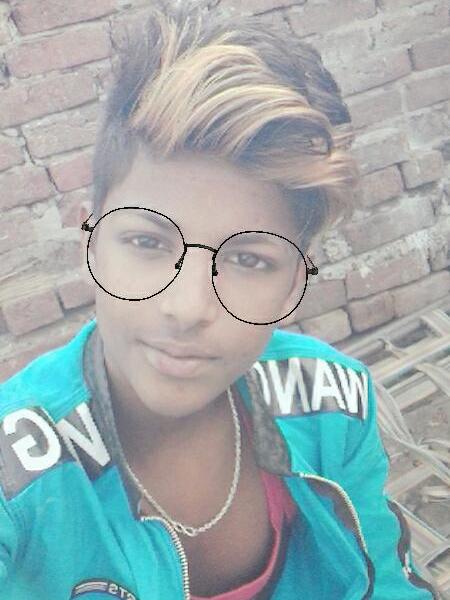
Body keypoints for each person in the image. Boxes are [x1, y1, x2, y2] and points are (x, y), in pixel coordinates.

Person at [0, 1, 440, 598]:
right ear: (91, 241)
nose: (187, 308)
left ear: (294, 283)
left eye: (249, 259)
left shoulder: (332, 403)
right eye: (148, 242)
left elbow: (383, 582)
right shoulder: (18, 474)